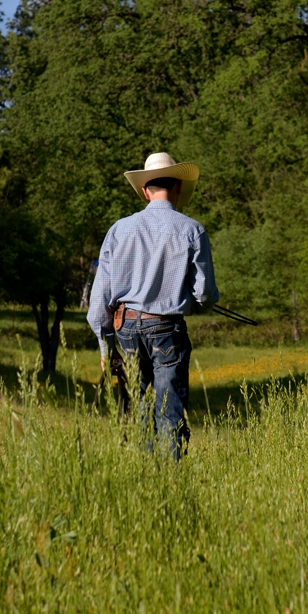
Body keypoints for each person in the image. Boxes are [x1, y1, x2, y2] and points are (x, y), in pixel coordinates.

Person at [85, 151, 217, 460]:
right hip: (167, 328)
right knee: (169, 406)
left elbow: (99, 301)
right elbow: (206, 294)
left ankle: (145, 473)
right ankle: (170, 477)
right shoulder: (193, 230)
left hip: (126, 329)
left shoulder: (119, 230)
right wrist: (195, 301)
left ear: (145, 190)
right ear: (178, 188)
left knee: (138, 407)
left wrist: (106, 349)